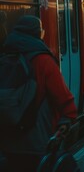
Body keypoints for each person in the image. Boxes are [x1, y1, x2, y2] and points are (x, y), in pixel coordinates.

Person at [0, 15, 77, 172]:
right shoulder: (43, 60)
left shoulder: (5, 57)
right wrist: (67, 119)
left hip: (8, 140)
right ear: (37, 33)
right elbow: (63, 97)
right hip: (38, 139)